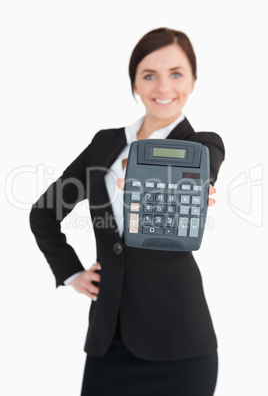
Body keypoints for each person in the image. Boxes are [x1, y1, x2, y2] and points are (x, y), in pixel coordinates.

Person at [30, 27, 225, 396]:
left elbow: (204, 166)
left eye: (176, 74)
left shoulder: (200, 144)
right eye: (149, 75)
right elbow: (43, 212)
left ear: (193, 82)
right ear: (135, 83)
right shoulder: (105, 145)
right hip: (109, 341)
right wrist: (71, 272)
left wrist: (186, 185)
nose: (163, 87)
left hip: (180, 343)